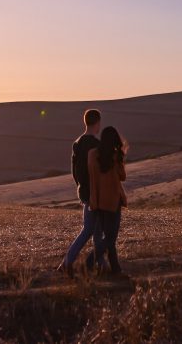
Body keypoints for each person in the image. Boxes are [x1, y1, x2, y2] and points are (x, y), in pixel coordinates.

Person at [58, 109, 103, 277]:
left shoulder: (77, 143)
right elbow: (99, 172)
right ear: (97, 122)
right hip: (94, 193)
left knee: (97, 231)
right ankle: (67, 262)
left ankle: (101, 266)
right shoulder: (96, 145)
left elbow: (74, 171)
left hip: (84, 191)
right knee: (90, 230)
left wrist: (81, 187)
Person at [88, 126, 127, 274]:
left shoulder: (92, 155)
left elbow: (92, 177)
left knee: (109, 238)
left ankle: (116, 269)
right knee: (111, 238)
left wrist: (94, 199)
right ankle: (89, 261)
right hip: (113, 201)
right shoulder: (116, 156)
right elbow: (123, 177)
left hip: (99, 201)